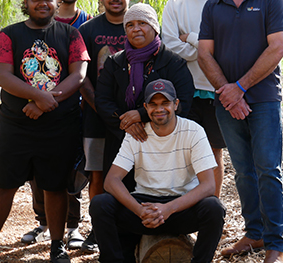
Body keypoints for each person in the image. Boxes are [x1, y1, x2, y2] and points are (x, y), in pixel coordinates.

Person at [0, 0, 89, 263]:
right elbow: (4, 76)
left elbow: (78, 75)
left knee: (55, 186)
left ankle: (57, 247)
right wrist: (37, 97)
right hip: (14, 125)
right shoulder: (9, 35)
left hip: (59, 126)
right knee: (4, 185)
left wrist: (46, 102)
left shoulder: (71, 35)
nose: (43, 3)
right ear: (26, 3)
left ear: (57, 3)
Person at [197, 0, 283, 263]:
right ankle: (254, 233)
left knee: (267, 168)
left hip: (264, 99)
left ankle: (275, 241)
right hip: (226, 101)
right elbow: (203, 53)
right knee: (243, 171)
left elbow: (277, 48)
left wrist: (241, 87)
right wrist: (228, 91)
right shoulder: (213, 5)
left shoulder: (271, 0)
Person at [90, 79, 225, 263]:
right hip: (144, 207)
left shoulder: (194, 132)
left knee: (214, 208)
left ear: (176, 105)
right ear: (145, 107)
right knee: (100, 204)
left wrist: (168, 209)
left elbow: (209, 186)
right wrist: (139, 210)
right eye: (153, 104)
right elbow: (111, 180)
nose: (159, 109)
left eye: (165, 103)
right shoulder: (137, 134)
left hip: (179, 207)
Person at [21, 0, 91, 251]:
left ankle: (72, 226)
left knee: (69, 169)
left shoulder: (87, 24)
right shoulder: (38, 21)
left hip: (72, 108)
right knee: (37, 170)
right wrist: (35, 101)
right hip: (34, 108)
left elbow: (84, 72)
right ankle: (44, 223)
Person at [95, 3, 194, 183]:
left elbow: (183, 102)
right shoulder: (114, 62)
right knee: (117, 197)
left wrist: (141, 116)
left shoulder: (173, 63)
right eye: (130, 25)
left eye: (142, 23)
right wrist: (127, 124)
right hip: (120, 140)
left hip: (161, 143)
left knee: (157, 195)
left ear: (155, 28)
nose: (136, 29)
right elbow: (102, 100)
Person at [75, 0, 133, 253]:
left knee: (132, 173)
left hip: (133, 119)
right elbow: (82, 76)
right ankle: (98, 229)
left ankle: (129, 228)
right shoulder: (87, 31)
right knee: (97, 174)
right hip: (96, 117)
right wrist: (100, 106)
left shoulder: (138, 26)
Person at [161, 0, 226, 198]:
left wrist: (190, 38)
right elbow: (169, 45)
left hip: (215, 89)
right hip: (184, 89)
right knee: (182, 152)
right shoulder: (176, 3)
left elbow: (225, 46)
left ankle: (213, 207)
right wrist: (204, 48)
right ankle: (182, 210)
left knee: (212, 152)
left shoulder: (223, 2)